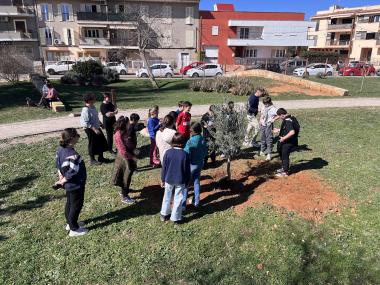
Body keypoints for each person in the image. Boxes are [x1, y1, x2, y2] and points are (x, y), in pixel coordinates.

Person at [54, 128, 88, 237]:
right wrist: (63, 180)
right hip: (75, 184)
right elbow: (73, 171)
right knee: (76, 205)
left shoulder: (60, 149)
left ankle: (70, 223)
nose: (79, 136)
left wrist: (61, 178)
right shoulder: (73, 155)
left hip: (68, 185)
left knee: (69, 203)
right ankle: (74, 229)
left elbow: (58, 164)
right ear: (72, 138)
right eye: (77, 135)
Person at [160, 133, 191, 224]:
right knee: (178, 198)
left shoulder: (168, 152)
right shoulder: (185, 155)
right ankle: (175, 218)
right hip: (180, 180)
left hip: (168, 179)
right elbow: (187, 170)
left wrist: (162, 179)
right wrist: (187, 181)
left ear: (173, 142)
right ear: (183, 143)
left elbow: (164, 168)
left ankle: (164, 214)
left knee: (167, 196)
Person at [182, 122, 208, 209]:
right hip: (200, 164)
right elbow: (205, 152)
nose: (189, 131)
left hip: (191, 165)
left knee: (186, 185)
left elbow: (186, 154)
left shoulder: (190, 141)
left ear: (193, 131)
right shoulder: (203, 139)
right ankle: (196, 202)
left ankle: (183, 205)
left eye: (190, 130)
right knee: (196, 182)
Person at [112, 116, 137, 204]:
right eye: (127, 124)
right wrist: (132, 157)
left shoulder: (123, 132)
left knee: (127, 176)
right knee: (125, 176)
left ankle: (125, 190)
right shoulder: (118, 134)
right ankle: (124, 196)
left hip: (127, 157)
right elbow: (123, 150)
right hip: (125, 159)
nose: (129, 125)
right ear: (124, 124)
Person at [80, 93, 108, 166]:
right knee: (92, 144)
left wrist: (101, 124)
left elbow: (96, 117)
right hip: (89, 129)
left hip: (97, 127)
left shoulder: (93, 107)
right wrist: (95, 129)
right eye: (93, 98)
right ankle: (92, 160)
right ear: (89, 100)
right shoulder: (85, 109)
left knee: (101, 141)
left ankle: (101, 157)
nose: (95, 99)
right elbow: (86, 122)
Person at [274, 108, 300, 177]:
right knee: (282, 153)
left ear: (282, 115)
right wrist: (279, 130)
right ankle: (284, 168)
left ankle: (285, 172)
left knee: (285, 155)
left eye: (279, 116)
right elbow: (290, 129)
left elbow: (292, 132)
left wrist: (283, 138)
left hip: (288, 141)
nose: (279, 118)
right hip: (291, 140)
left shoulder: (287, 121)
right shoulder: (291, 117)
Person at [259, 96, 278, 161]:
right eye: (264, 104)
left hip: (269, 125)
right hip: (263, 124)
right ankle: (262, 150)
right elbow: (262, 114)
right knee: (262, 138)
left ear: (269, 102)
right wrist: (260, 120)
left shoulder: (273, 109)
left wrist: (274, 119)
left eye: (266, 104)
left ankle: (269, 154)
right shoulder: (264, 106)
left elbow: (279, 114)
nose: (265, 105)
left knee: (269, 139)